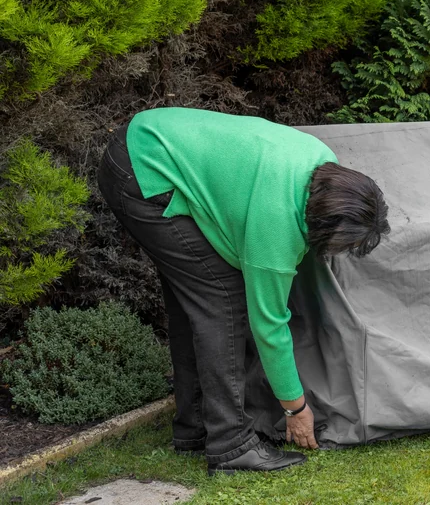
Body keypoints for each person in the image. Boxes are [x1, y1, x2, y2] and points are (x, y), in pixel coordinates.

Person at [97, 107, 390, 475]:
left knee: (196, 301)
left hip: (150, 138)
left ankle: (195, 428)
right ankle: (230, 445)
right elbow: (269, 327)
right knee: (222, 301)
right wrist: (295, 410)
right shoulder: (276, 230)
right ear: (322, 224)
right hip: (143, 169)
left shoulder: (322, 161)